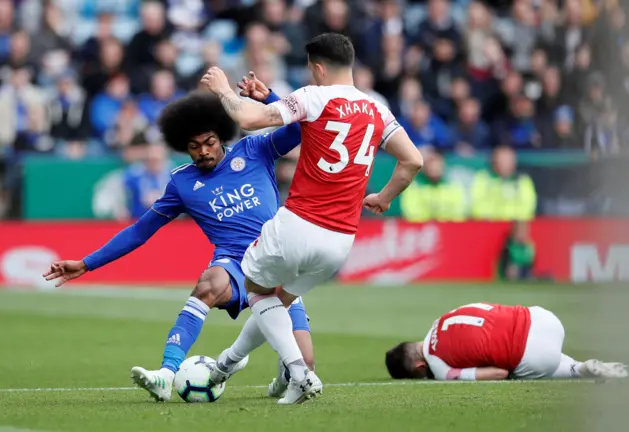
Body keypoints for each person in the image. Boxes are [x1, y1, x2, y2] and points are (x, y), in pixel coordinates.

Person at [41, 75, 315, 402]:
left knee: (305, 363)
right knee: (207, 284)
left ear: (221, 136)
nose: (203, 151)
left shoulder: (255, 149)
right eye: (194, 146)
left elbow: (301, 128)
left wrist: (269, 96)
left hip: (278, 262)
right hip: (235, 266)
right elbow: (139, 231)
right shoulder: (181, 184)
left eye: (209, 142)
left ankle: (279, 377)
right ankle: (166, 375)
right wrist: (87, 263)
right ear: (183, 147)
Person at [200, 32, 423, 404]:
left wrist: (224, 89)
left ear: (317, 68)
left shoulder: (312, 95)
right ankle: (227, 363)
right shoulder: (376, 109)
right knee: (278, 301)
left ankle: (301, 372)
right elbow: (412, 160)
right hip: (340, 241)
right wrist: (383, 198)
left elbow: (249, 120)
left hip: (299, 223)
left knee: (256, 292)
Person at [385, 302, 628, 381]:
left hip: (535, 356)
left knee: (515, 369)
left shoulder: (439, 368)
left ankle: (579, 370)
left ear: (419, 367)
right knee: (525, 345)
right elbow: (489, 308)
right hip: (543, 318)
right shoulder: (445, 316)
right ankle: (582, 367)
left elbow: (497, 373)